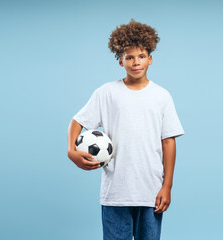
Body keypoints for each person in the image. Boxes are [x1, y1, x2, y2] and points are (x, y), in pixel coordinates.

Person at [67, 18, 185, 240]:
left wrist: (167, 185)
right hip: (115, 193)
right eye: (129, 57)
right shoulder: (107, 93)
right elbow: (77, 121)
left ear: (150, 59)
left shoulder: (162, 96)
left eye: (141, 56)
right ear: (120, 61)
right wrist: (71, 151)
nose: (136, 62)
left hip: (151, 192)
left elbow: (169, 141)